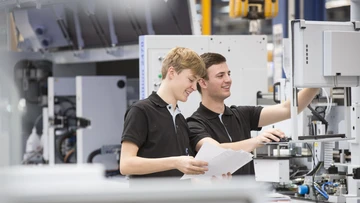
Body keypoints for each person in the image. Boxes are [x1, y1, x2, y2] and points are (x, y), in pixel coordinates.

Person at [187, 52, 319, 175]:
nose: (228, 80)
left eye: (229, 73)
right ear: (203, 82)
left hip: (247, 196)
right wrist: (257, 140)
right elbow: (217, 151)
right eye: (220, 76)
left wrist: (317, 81)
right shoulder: (194, 124)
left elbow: (288, 109)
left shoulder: (241, 114)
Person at [120, 47, 209, 178]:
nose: (194, 88)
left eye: (196, 83)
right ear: (171, 72)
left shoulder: (180, 119)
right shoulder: (141, 111)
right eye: (191, 80)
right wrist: (175, 162)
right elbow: (126, 164)